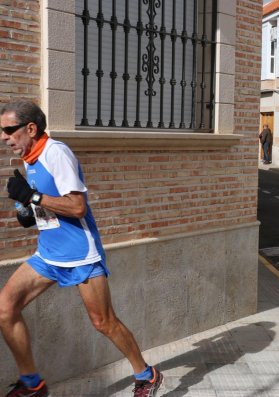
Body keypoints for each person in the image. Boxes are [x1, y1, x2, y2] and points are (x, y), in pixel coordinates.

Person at [0, 101, 163, 397]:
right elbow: (42, 204)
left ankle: (146, 374)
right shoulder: (28, 158)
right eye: (2, 131)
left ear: (31, 129)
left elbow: (77, 206)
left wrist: (33, 196)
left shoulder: (56, 153)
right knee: (5, 308)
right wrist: (25, 208)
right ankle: (32, 383)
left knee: (104, 322)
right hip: (48, 253)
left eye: (9, 130)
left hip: (80, 254)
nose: (4, 136)